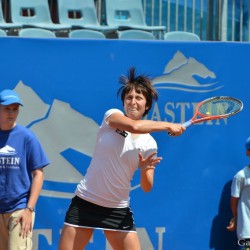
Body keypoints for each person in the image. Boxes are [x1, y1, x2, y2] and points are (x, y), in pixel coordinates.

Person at [59, 67, 185, 250]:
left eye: (139, 98)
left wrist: (144, 169)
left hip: (117, 209)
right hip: (86, 203)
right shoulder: (112, 117)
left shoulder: (150, 144)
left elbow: (147, 187)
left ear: (147, 105)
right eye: (129, 98)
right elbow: (134, 126)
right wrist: (168, 125)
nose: (133, 102)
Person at [0, 89, 50, 250]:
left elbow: (38, 174)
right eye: (7, 108)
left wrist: (29, 209)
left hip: (19, 209)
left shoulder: (27, 137)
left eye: (15, 109)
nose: (11, 113)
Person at [227, 136, 250, 249]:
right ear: (248, 152)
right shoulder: (240, 176)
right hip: (247, 234)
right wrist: (235, 218)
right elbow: (234, 201)